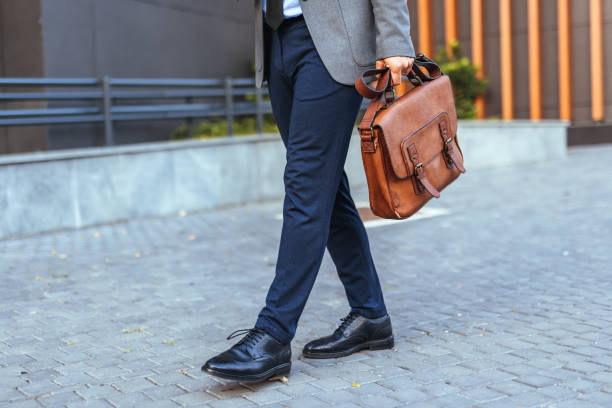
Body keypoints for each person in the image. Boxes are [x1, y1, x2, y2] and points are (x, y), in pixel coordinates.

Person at [202, 0, 415, 382]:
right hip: (276, 40)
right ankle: (370, 314)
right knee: (326, 189)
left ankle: (273, 334)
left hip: (333, 43)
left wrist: (395, 40)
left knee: (305, 185)